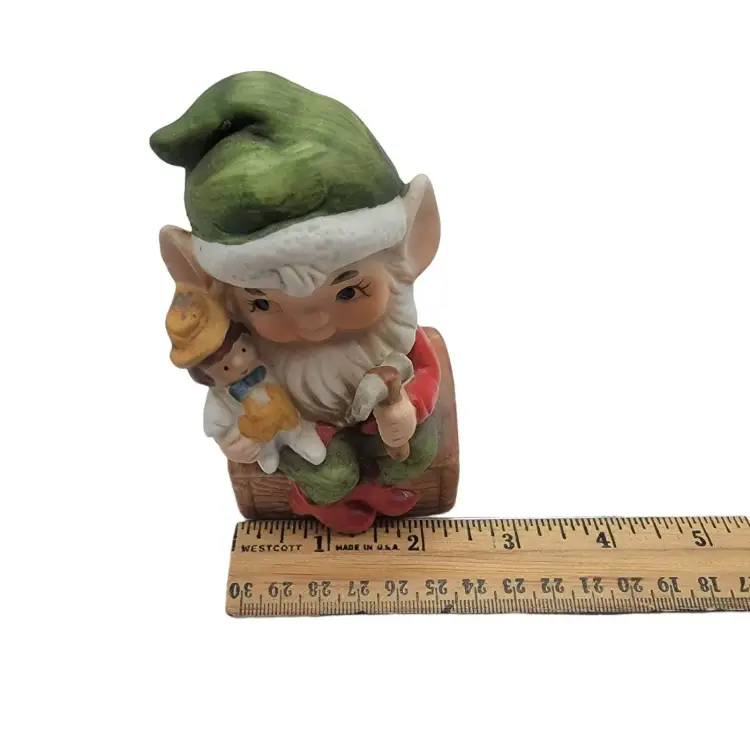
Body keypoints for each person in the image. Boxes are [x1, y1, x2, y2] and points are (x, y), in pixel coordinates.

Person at [152, 72, 442, 530]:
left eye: (348, 291)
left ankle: (376, 484)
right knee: (331, 475)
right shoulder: (245, 360)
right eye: (264, 304)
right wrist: (235, 440)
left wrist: (407, 405)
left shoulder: (390, 335)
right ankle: (324, 499)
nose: (313, 324)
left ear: (410, 248)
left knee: (418, 447)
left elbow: (424, 370)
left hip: (377, 422)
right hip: (307, 435)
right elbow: (227, 415)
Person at [166, 284, 325, 474]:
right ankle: (268, 453)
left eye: (243, 349)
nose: (240, 362)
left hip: (291, 421)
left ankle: (300, 437)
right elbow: (217, 428)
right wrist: (230, 447)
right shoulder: (220, 399)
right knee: (265, 457)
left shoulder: (269, 361)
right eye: (225, 367)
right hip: (261, 437)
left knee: (303, 438)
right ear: (207, 378)